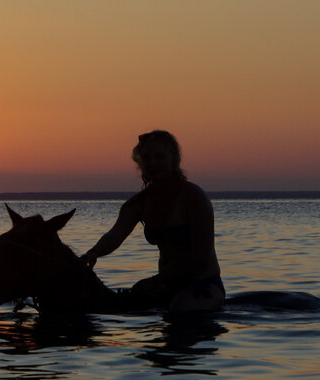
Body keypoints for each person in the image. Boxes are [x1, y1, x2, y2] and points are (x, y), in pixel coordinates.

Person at [81, 130, 224, 312]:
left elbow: (201, 257)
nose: (153, 163)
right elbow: (114, 235)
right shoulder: (138, 204)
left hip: (202, 284)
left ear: (173, 159)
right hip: (164, 286)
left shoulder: (193, 197)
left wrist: (156, 280)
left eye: (159, 157)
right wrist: (93, 253)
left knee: (180, 310)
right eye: (147, 158)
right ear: (140, 163)